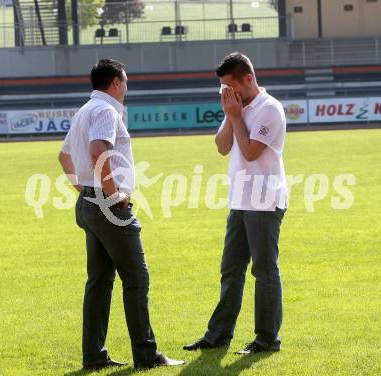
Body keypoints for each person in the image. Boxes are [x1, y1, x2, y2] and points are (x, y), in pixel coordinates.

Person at [58, 59, 185, 370]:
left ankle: (94, 356)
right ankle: (146, 355)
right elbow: (99, 150)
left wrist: (85, 191)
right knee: (137, 279)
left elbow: (63, 157)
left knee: (99, 282)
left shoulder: (83, 111)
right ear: (115, 82)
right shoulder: (106, 111)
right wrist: (112, 195)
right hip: (108, 205)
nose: (127, 87)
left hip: (88, 204)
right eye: (125, 81)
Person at [184, 52, 288, 355]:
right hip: (241, 201)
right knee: (231, 270)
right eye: (222, 90)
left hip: (265, 202)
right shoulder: (237, 107)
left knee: (264, 271)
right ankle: (218, 335)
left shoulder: (270, 109)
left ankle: (267, 339)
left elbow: (250, 151)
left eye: (230, 88)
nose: (226, 95)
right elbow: (222, 146)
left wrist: (234, 116)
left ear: (248, 79)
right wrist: (232, 114)